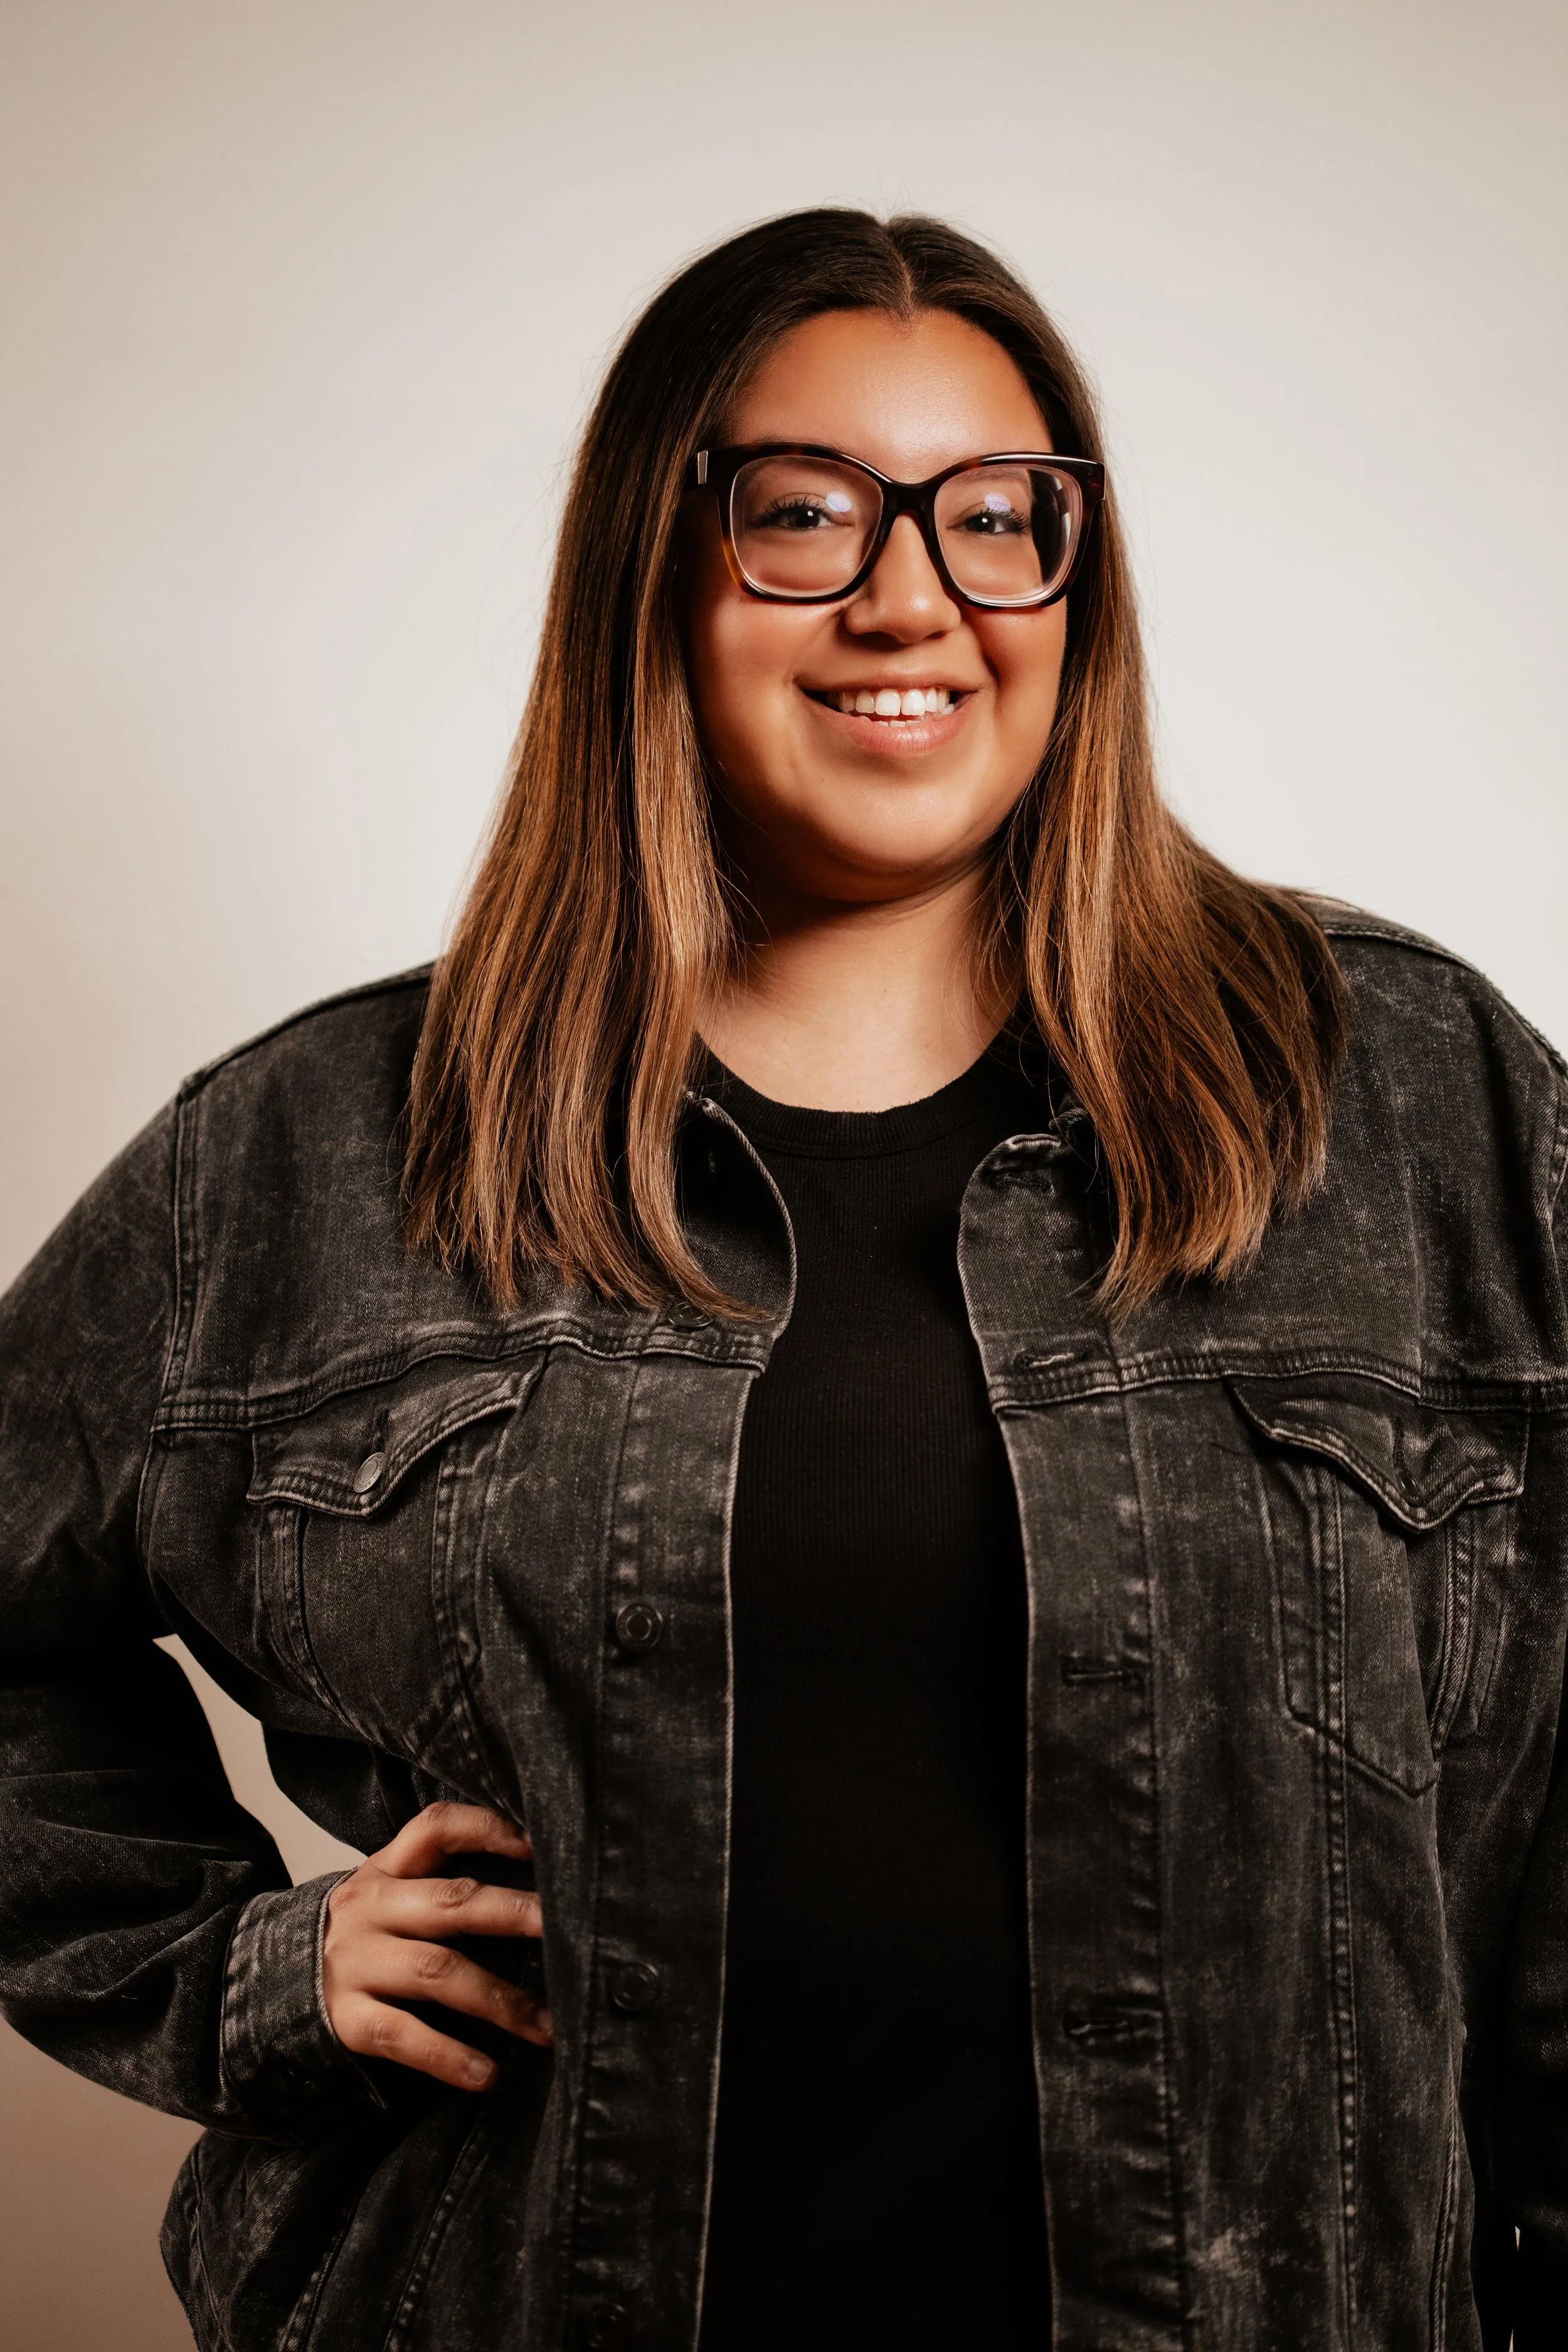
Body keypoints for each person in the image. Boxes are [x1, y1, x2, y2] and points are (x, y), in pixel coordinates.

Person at [0, 206, 1562, 2352]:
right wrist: (256, 1974)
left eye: (998, 515)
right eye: (805, 514)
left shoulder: (1401, 1095)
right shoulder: (307, 1153)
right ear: (654, 561)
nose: (913, 592)